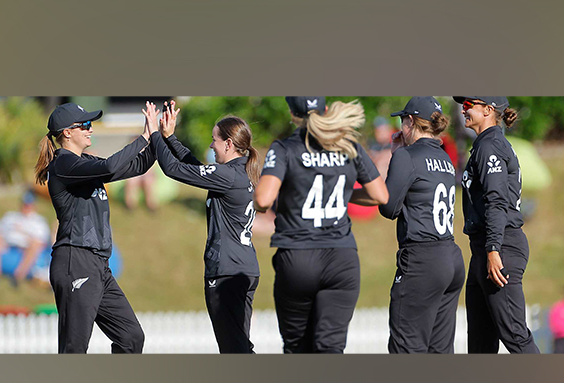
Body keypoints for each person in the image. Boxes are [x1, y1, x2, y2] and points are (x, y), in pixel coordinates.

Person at [254, 96, 388, 354]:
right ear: (325, 109)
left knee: (297, 348)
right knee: (330, 349)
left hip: (298, 258)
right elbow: (380, 196)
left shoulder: (285, 148)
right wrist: (342, 193)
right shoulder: (348, 145)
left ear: (292, 113)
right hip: (342, 260)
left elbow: (263, 199)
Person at [35, 102, 157, 354]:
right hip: (75, 260)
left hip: (99, 265)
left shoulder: (84, 162)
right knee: (74, 348)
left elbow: (137, 166)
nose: (91, 129)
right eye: (86, 125)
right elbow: (111, 166)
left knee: (131, 338)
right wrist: (143, 136)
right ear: (67, 132)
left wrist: (158, 136)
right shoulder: (64, 164)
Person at [146, 101, 260, 354]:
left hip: (227, 272)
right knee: (239, 346)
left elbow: (174, 169)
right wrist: (170, 138)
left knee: (233, 349)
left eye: (214, 140)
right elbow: (197, 168)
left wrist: (154, 133)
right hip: (244, 269)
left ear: (228, 144)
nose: (211, 145)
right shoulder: (238, 172)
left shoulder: (227, 175)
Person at [354, 97, 465, 353]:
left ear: (411, 121)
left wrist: (396, 156)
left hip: (421, 261)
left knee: (407, 348)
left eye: (402, 120)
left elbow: (389, 207)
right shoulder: (445, 158)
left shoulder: (406, 155)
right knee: (439, 351)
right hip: (450, 256)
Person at [454, 96, 540, 353]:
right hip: (484, 248)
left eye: (469, 105)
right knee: (480, 343)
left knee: (514, 334)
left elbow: (497, 201)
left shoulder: (490, 145)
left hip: (500, 246)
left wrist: (493, 249)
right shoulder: (483, 144)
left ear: (489, 110)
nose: (463, 109)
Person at [0, 189, 51, 285]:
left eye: (28, 204)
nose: (26, 207)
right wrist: (2, 243)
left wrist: (26, 242)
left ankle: (18, 277)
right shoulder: (10, 216)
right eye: (25, 204)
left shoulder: (39, 222)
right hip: (7, 245)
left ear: (33, 205)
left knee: (35, 245)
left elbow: (42, 242)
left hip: (25, 248)